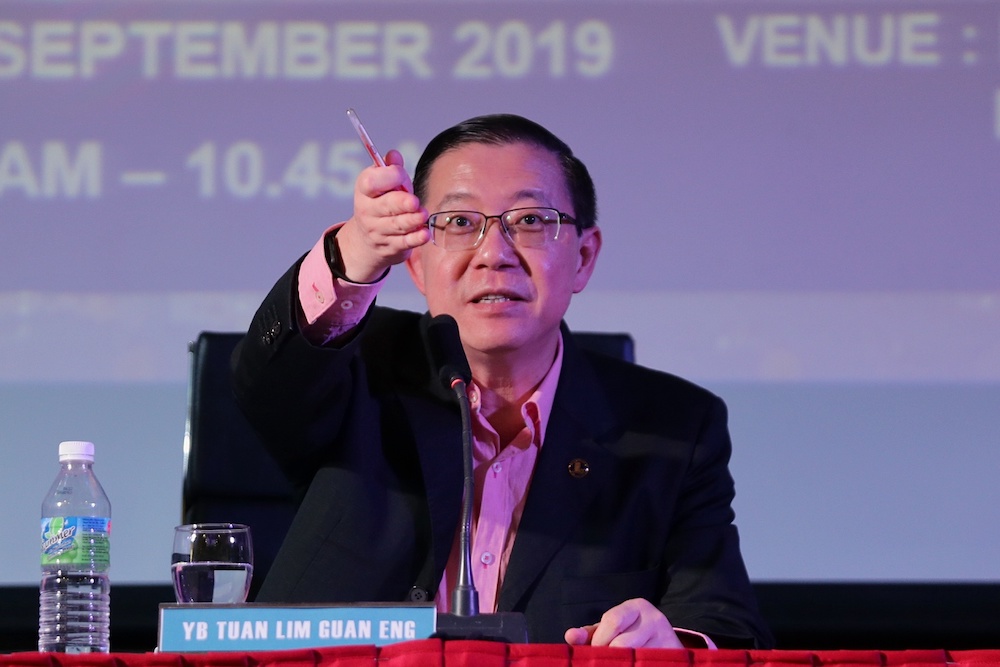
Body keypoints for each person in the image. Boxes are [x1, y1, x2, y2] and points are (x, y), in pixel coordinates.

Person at [231, 114, 773, 648]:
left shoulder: (674, 428)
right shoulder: (353, 368)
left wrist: (672, 647)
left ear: (583, 257)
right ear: (415, 263)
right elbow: (272, 383)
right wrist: (352, 256)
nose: (494, 254)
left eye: (532, 221)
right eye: (461, 223)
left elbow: (725, 627)